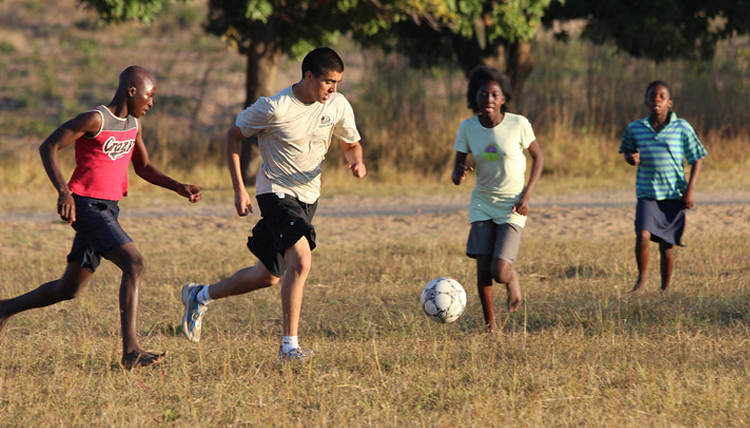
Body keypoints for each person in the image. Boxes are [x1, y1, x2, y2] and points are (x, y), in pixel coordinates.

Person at [0, 66, 202, 370]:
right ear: (132, 91)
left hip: (109, 209)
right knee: (135, 264)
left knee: (69, 289)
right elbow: (49, 146)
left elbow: (143, 167)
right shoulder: (96, 119)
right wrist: (64, 191)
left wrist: (177, 186)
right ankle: (131, 351)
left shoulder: (134, 125)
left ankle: (4, 309)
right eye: (150, 95)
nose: (152, 103)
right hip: (86, 206)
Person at [181, 47, 366, 361]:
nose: (333, 88)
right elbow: (233, 137)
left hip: (308, 196)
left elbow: (350, 144)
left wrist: (356, 162)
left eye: (337, 82)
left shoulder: (337, 105)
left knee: (268, 276)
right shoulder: (275, 108)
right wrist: (239, 189)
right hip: (276, 194)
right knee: (302, 261)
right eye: (328, 82)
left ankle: (199, 295)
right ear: (308, 76)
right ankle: (289, 348)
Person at [452, 66, 544, 334]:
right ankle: (491, 326)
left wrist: (527, 195)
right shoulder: (467, 128)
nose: (489, 99)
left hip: (513, 204)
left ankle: (512, 279)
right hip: (482, 202)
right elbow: (456, 172)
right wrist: (459, 173)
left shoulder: (519, 124)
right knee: (483, 267)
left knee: (500, 270)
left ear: (504, 99)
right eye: (483, 94)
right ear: (475, 98)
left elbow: (539, 158)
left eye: (495, 95)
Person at [619, 80, 706, 292]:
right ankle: (642, 280)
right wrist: (632, 158)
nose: (656, 100)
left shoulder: (682, 128)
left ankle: (664, 289)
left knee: (667, 246)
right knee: (643, 234)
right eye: (652, 96)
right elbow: (628, 152)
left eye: (661, 96)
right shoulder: (636, 128)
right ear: (646, 100)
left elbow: (697, 157)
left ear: (670, 102)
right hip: (647, 192)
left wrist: (690, 189)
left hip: (674, 193)